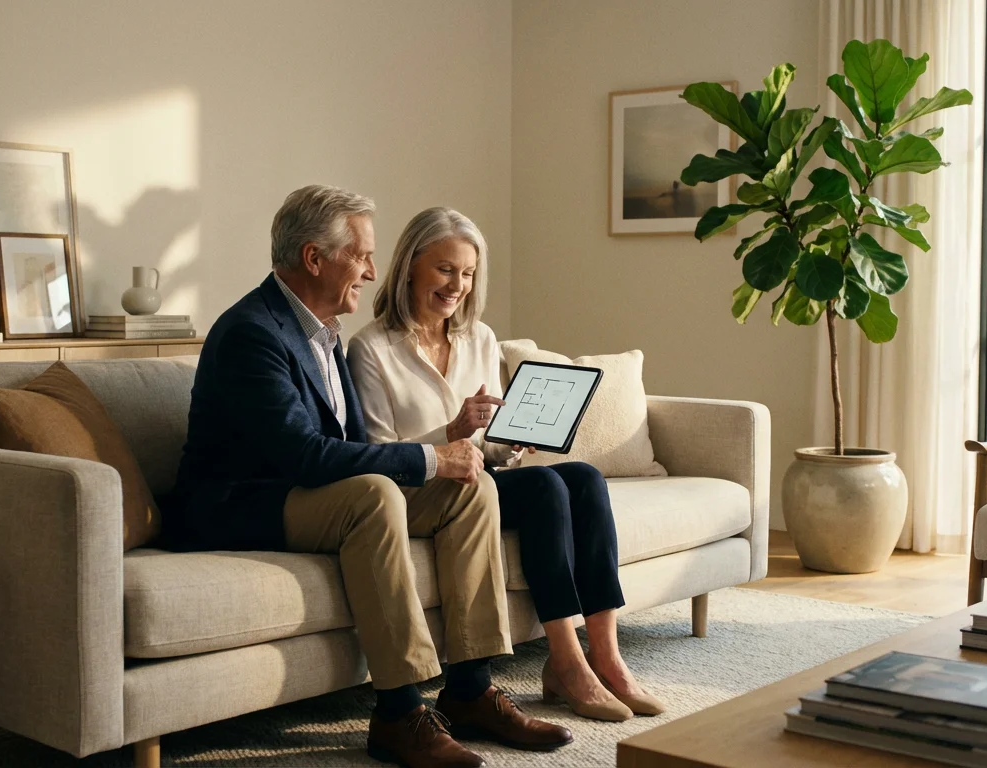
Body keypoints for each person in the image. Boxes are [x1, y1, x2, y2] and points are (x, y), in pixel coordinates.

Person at [167, 186, 571, 768]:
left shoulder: (322, 331)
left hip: (308, 494)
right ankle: (399, 712)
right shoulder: (253, 332)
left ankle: (470, 689)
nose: (372, 271)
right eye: (360, 256)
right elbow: (305, 456)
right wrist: (433, 457)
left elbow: (350, 449)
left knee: (472, 484)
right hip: (241, 503)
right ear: (314, 258)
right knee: (382, 490)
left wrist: (451, 461)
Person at [347, 207, 665, 723]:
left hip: (480, 477)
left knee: (581, 478)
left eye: (468, 273)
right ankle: (565, 662)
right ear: (410, 266)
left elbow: (491, 444)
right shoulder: (371, 349)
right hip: (420, 491)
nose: (458, 285)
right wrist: (450, 433)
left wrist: (513, 443)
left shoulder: (481, 339)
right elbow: (381, 453)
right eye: (445, 269)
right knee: (543, 489)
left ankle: (606, 657)